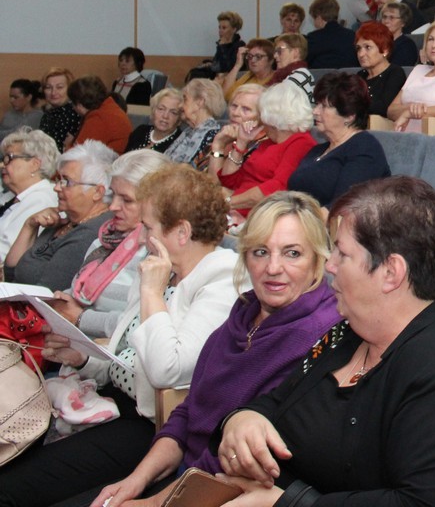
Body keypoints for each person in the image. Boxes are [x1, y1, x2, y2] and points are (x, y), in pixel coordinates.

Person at [216, 177, 435, 506]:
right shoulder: (348, 333)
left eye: (342, 254)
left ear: (391, 272)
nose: (329, 264)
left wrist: (289, 503)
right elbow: (280, 402)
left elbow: (432, 503)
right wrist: (242, 418)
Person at [0, 165, 239, 507]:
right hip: (109, 402)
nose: (141, 239)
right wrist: (82, 358)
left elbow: (166, 371)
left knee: (13, 488)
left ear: (181, 232)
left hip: (152, 427)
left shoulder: (222, 284)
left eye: (149, 228)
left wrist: (152, 293)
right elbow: (126, 356)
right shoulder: (163, 270)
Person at [85, 192, 341, 507]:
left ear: (318, 260)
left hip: (223, 492)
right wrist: (136, 482)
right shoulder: (245, 311)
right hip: (182, 475)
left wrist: (152, 504)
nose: (273, 267)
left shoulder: (321, 336)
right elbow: (188, 411)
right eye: (261, 252)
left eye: (292, 253)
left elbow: (240, 462)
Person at [51, 149, 171, 339]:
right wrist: (61, 302)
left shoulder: (159, 253)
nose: (113, 206)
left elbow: (141, 323)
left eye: (126, 200)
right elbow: (79, 294)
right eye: (113, 194)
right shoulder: (106, 238)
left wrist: (81, 318)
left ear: (156, 203)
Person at [4, 140, 116, 291]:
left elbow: (47, 293)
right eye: (59, 180)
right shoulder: (65, 220)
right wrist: (29, 225)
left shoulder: (91, 232)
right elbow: (10, 272)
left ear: (97, 192)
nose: (56, 187)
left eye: (66, 182)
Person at [211, 84, 316, 216]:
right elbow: (229, 181)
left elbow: (276, 188)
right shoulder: (269, 141)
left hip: (256, 214)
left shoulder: (301, 143)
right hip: (235, 208)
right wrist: (241, 143)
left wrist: (227, 203)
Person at [289, 73, 390, 208]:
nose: (315, 111)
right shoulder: (317, 150)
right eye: (317, 104)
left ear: (349, 115)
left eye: (324, 106)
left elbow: (341, 208)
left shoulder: (365, 148)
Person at [0, 127, 59, 259]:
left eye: (9, 158)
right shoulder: (14, 196)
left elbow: (6, 252)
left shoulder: (41, 200)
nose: (3, 165)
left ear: (34, 164)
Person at [164, 79, 225, 169]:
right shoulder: (188, 131)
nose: (180, 105)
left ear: (200, 102)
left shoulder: (212, 136)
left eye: (185, 99)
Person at [354, 21, 407, 117]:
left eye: (368, 47)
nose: (361, 54)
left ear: (385, 50)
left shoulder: (395, 73)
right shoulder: (360, 76)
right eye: (358, 48)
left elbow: (384, 108)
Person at [69, 76, 132, 154]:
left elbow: (74, 155)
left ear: (79, 105)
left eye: (72, 103)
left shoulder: (99, 118)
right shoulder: (110, 108)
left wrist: (68, 145)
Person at [126, 87, 184, 153]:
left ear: (180, 118)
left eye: (173, 112)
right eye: (161, 109)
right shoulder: (140, 131)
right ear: (153, 111)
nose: (165, 116)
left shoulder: (181, 143)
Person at [305, 0, 357, 69]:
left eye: (314, 19)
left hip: (322, 76)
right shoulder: (353, 35)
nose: (314, 23)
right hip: (350, 76)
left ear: (319, 18)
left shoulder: (313, 38)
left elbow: (306, 62)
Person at [40, 67, 83, 151]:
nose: (53, 92)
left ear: (70, 89)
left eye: (59, 87)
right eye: (48, 88)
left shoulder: (76, 113)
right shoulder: (47, 115)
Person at [266, 33, 315, 103]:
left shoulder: (300, 75)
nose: (275, 56)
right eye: (275, 51)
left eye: (279, 51)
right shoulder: (285, 75)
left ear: (295, 52)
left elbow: (271, 102)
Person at [378, 1, 420, 66]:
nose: (386, 21)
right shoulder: (376, 42)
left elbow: (397, 69)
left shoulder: (407, 45)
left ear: (403, 22)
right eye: (384, 17)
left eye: (392, 17)